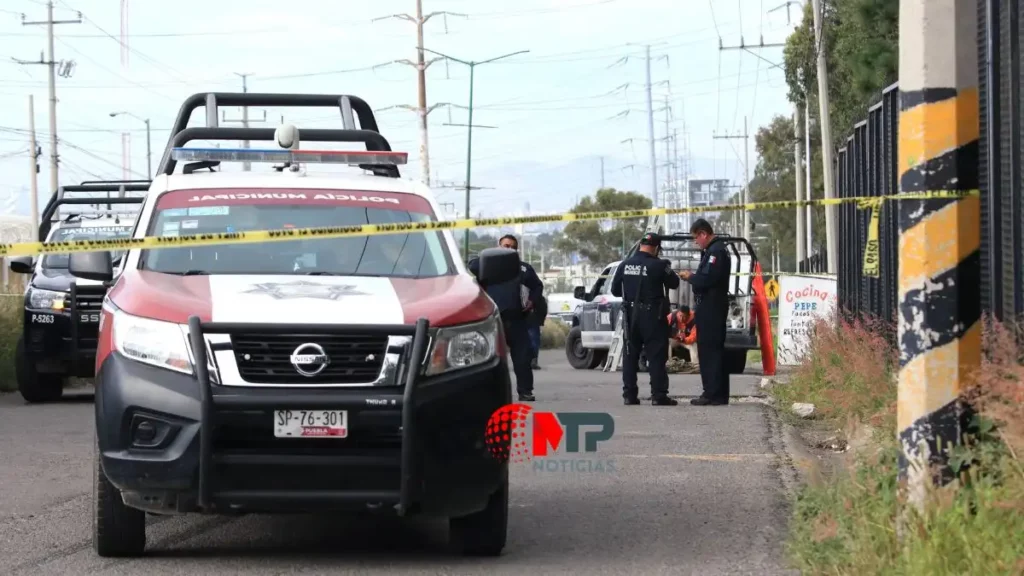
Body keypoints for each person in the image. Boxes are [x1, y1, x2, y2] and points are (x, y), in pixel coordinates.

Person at [468, 234, 543, 402]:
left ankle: (525, 392)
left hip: (516, 319)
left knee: (522, 358)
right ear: (498, 247)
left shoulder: (523, 268)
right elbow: (471, 265)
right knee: (486, 359)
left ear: (516, 250)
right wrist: (488, 258)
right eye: (504, 246)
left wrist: (532, 301)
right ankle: (485, 394)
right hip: (492, 321)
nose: (508, 249)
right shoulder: (486, 267)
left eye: (511, 247)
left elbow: (537, 286)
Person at [610, 232, 680, 406]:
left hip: (631, 315)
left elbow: (615, 290)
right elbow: (674, 283)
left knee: (630, 356)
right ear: (656, 248)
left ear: (641, 245)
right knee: (656, 355)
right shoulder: (660, 265)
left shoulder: (624, 265)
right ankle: (658, 395)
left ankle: (629, 395)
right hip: (652, 316)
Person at [679, 218, 732, 406]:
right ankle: (717, 393)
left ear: (703, 234)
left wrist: (690, 277)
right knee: (713, 350)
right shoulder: (712, 251)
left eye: (696, 238)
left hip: (712, 307)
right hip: (711, 306)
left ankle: (712, 393)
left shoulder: (715, 252)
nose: (696, 243)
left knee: (709, 350)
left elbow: (707, 279)